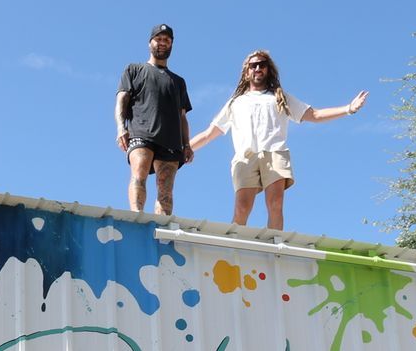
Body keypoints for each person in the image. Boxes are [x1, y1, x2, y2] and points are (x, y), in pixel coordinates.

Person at [188, 50, 367, 231]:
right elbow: (209, 133)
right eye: (253, 65)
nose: (258, 68)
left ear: (268, 69)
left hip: (274, 154)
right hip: (245, 157)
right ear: (246, 72)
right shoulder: (236, 102)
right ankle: (233, 249)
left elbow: (315, 115)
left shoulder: (280, 97)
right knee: (242, 209)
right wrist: (183, 148)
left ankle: (274, 249)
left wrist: (349, 108)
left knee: (275, 205)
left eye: (262, 64)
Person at [115, 24, 194, 216]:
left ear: (171, 45)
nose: (162, 43)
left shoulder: (178, 81)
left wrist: (187, 144)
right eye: (158, 39)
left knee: (165, 189)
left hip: (171, 139)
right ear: (150, 42)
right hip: (141, 132)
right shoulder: (134, 69)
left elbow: (182, 116)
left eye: (166, 40)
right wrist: (120, 128)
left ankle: (162, 228)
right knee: (139, 174)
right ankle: (136, 216)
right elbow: (121, 100)